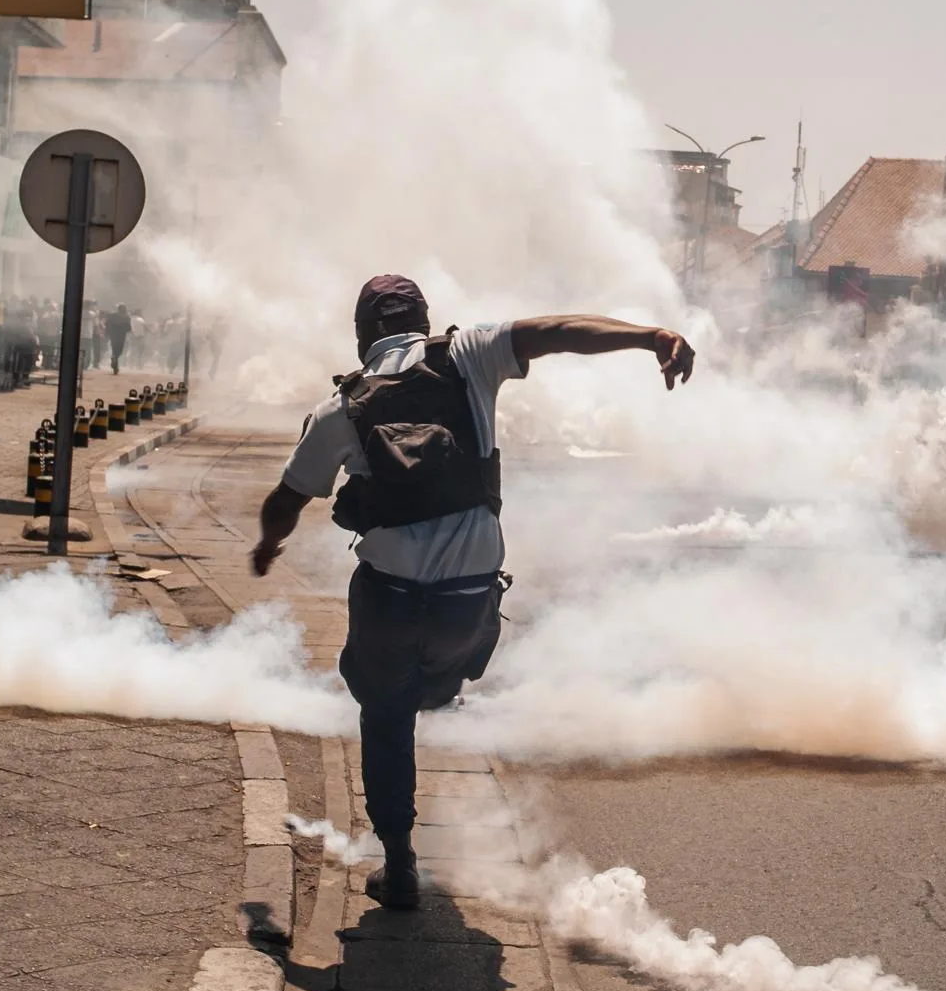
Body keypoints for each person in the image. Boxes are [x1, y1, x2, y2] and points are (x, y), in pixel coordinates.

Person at [248, 275, 694, 909]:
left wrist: (267, 549)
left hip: (390, 602)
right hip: (468, 606)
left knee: (385, 714)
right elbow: (558, 330)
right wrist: (653, 336)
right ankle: (436, 684)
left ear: (360, 335)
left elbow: (285, 499)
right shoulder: (469, 355)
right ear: (428, 320)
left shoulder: (338, 410)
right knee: (428, 684)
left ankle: (399, 860)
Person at [106, 303, 133, 375]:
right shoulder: (127, 317)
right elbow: (129, 328)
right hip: (121, 336)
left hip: (114, 336)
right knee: (119, 351)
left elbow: (107, 325)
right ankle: (115, 364)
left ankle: (114, 360)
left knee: (115, 350)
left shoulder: (112, 316)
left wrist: (108, 333)